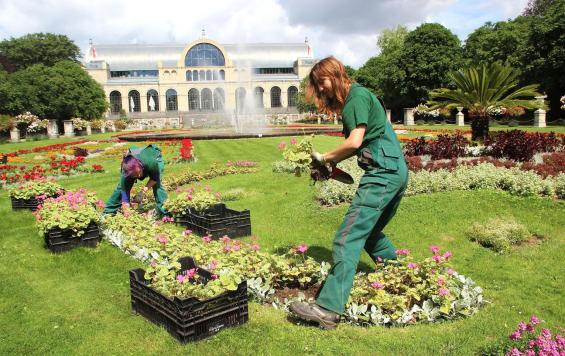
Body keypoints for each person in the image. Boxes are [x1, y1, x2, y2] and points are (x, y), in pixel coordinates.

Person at [289, 57, 409, 329]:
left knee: (347, 237)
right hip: (395, 170)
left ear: (336, 74)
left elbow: (354, 142)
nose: (321, 90)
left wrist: (323, 157)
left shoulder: (355, 97)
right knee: (371, 234)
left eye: (323, 83)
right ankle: (399, 277)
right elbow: (359, 145)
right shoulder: (360, 97)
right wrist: (330, 165)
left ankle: (328, 308)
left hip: (382, 173)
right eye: (318, 86)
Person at [103, 144, 168, 217]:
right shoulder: (126, 170)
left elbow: (155, 178)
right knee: (120, 187)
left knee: (157, 186)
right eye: (134, 176)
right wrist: (126, 208)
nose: (139, 176)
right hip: (136, 161)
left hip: (155, 156)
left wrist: (142, 192)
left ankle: (165, 211)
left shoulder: (151, 162)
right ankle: (108, 212)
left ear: (140, 166)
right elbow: (124, 190)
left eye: (139, 173)